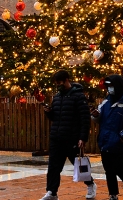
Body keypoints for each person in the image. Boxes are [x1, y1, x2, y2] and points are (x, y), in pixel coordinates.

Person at [40, 70, 97, 200]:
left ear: (66, 80)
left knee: (79, 164)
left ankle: (91, 184)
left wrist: (83, 137)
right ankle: (52, 192)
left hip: (72, 138)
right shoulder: (57, 97)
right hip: (57, 137)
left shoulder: (78, 96)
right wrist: (48, 112)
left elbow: (85, 118)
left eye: (59, 82)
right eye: (56, 83)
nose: (58, 85)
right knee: (53, 166)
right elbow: (55, 117)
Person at [91, 75, 123, 200]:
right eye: (108, 86)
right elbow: (100, 117)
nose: (109, 89)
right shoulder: (107, 101)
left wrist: (122, 137)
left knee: (117, 167)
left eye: (111, 86)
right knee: (108, 170)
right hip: (105, 140)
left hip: (119, 142)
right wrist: (95, 115)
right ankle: (113, 194)